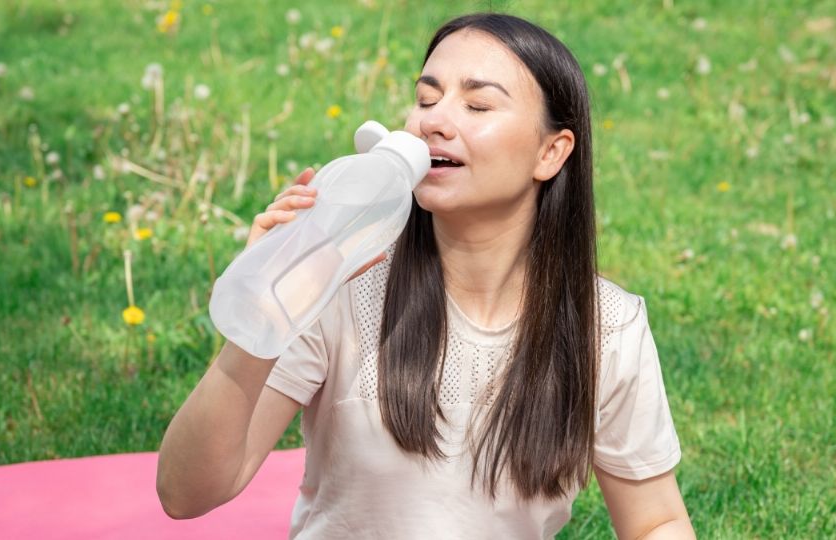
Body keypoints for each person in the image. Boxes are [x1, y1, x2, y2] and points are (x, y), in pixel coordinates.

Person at [157, 12, 694, 539]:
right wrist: (266, 316)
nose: (433, 120)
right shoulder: (341, 283)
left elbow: (655, 521)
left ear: (550, 152)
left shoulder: (607, 326)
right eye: (426, 98)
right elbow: (186, 494)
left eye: (478, 103)